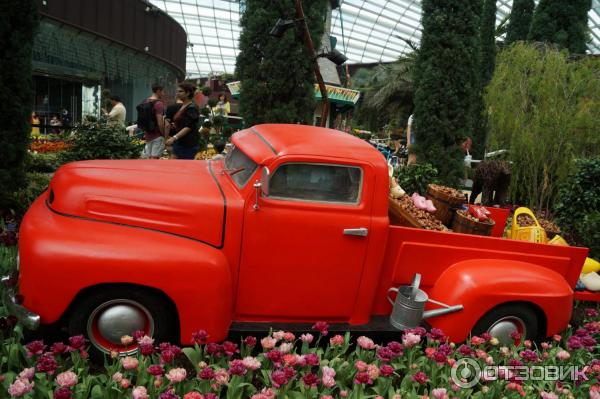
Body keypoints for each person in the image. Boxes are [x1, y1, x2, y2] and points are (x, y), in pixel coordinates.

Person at [165, 83, 200, 159]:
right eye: (177, 91)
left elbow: (189, 126)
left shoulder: (192, 107)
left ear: (187, 93)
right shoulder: (183, 106)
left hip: (188, 144)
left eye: (180, 91)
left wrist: (174, 137)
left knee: (182, 168)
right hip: (180, 142)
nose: (177, 93)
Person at [140, 84, 166, 159]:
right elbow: (160, 123)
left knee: (147, 159)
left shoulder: (145, 102)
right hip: (157, 135)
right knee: (155, 159)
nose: (163, 94)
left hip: (147, 135)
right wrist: (163, 134)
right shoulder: (159, 103)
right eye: (163, 92)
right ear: (158, 91)